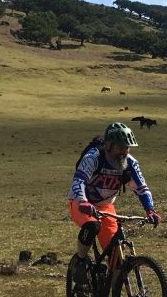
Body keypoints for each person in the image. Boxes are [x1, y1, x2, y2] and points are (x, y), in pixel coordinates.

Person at [68, 122, 161, 285]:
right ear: (109, 145)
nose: (124, 152)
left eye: (127, 148)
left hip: (105, 206)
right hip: (81, 202)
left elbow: (142, 188)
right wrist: (82, 201)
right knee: (92, 226)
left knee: (117, 256)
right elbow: (79, 180)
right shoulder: (93, 158)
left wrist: (150, 210)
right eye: (120, 147)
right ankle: (81, 262)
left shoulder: (130, 163)